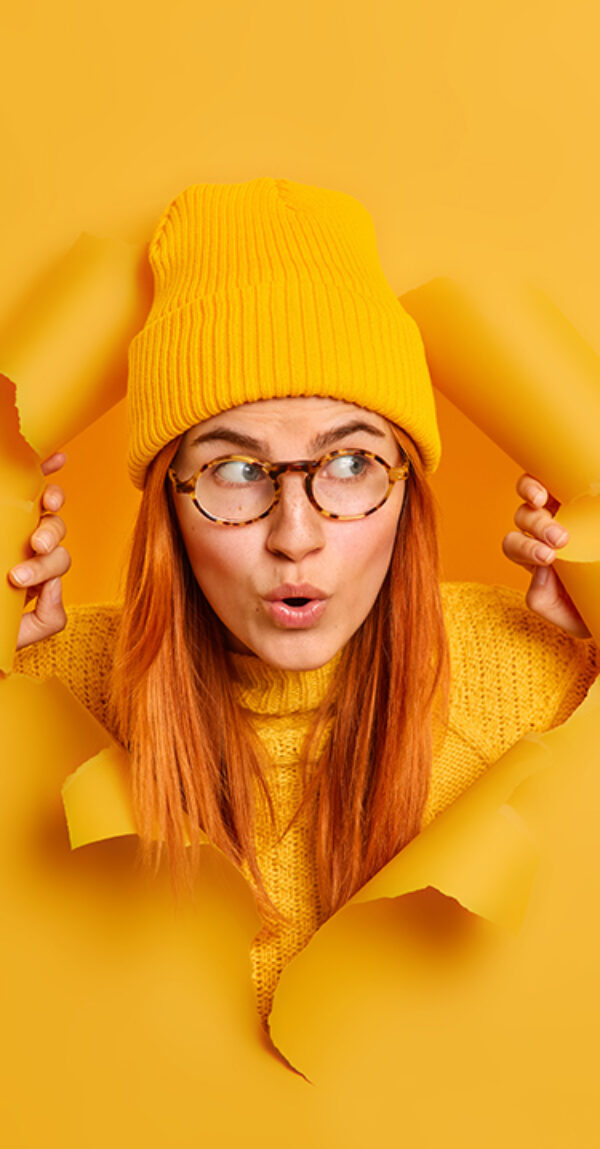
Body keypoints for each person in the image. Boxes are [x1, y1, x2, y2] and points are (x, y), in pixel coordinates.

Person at [8, 178, 600, 1023]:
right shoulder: (56, 691)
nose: (296, 535)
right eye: (237, 471)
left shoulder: (531, 680)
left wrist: (588, 671)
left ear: (407, 492)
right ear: (170, 503)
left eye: (352, 464)